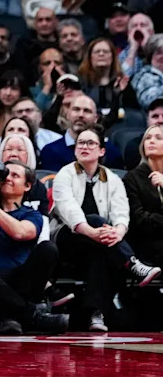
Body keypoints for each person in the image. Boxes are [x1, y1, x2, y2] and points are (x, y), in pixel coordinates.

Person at [50, 126, 160, 332]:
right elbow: (69, 211)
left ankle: (96, 314)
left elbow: (121, 213)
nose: (84, 146)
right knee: (94, 220)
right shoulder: (65, 174)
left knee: (101, 253)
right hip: (67, 237)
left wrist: (117, 232)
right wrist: (93, 232)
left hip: (101, 241)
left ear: (101, 151)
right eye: (81, 143)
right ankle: (133, 263)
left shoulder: (113, 179)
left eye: (90, 143)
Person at [0, 161, 67, 334]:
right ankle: (32, 316)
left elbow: (20, 233)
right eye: (5, 174)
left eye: (15, 175)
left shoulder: (32, 214)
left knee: (48, 248)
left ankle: (12, 317)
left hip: (22, 282)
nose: (7, 178)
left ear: (27, 186)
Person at [40, 94, 124, 170]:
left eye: (87, 111)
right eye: (76, 109)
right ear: (68, 115)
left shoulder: (111, 153)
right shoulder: (50, 151)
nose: (81, 115)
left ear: (96, 118)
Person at [122, 125, 163, 266]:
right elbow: (140, 220)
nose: (151, 141)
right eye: (148, 138)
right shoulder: (132, 178)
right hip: (147, 245)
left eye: (158, 138)